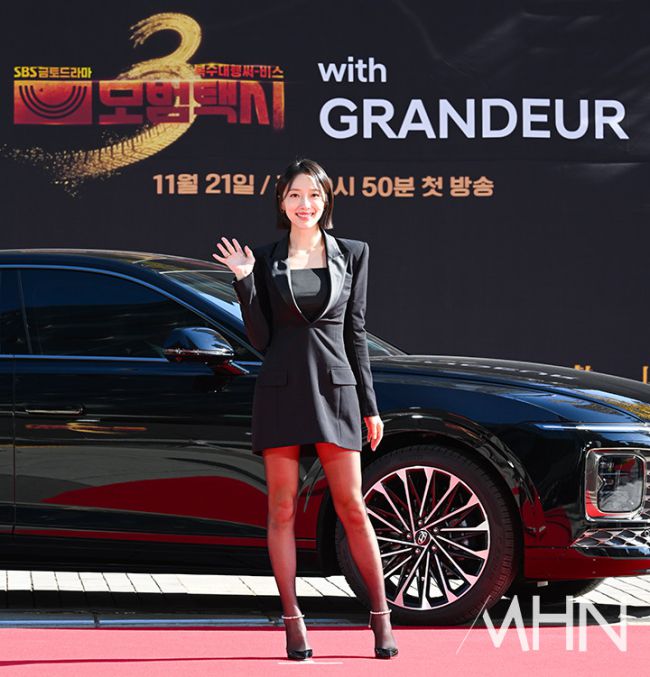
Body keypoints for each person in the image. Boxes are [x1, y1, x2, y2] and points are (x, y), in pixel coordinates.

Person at [212, 158, 398, 660]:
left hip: (336, 391)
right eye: (295, 194)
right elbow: (260, 339)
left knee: (352, 506)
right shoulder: (264, 258)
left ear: (326, 200)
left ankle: (380, 616)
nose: (304, 204)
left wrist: (370, 406)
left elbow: (355, 333)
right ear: (282, 201)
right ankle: (293, 620)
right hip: (281, 389)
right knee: (281, 507)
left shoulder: (353, 253)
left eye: (313, 194)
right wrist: (245, 281)